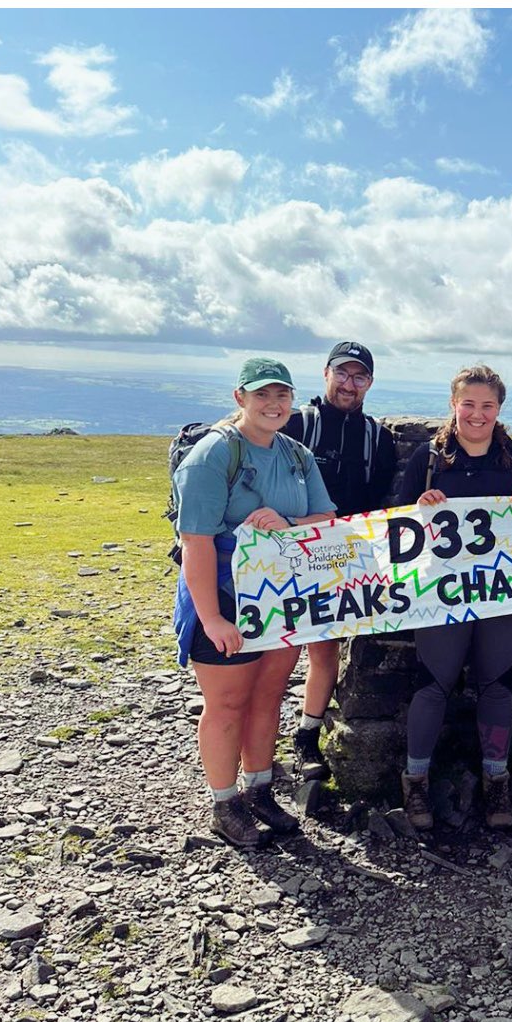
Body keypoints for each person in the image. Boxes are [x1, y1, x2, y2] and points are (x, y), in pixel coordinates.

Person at [172, 358, 336, 847]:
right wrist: (213, 618)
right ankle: (224, 805)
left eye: (282, 394)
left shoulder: (296, 454)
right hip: (224, 595)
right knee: (227, 702)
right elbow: (195, 543)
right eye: (262, 394)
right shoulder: (212, 455)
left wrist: (289, 526)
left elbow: (327, 518)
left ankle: (259, 788)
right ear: (239, 397)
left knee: (267, 696)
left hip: (278, 598)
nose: (274, 403)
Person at [395, 365, 512, 831]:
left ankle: (496, 779)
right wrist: (417, 509)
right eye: (468, 404)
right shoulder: (429, 459)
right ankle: (414, 780)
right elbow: (394, 524)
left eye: (487, 405)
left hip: (503, 594)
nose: (477, 414)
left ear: (499, 409)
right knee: (434, 684)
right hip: (440, 595)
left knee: (496, 684)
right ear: (453, 405)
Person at [281, 342, 396, 780]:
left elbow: (381, 501)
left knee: (324, 651)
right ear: (325, 373)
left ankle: (306, 734)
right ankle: (255, 745)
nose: (349, 384)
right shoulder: (296, 424)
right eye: (342, 374)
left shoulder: (377, 438)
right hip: (288, 555)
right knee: (276, 654)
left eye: (359, 377)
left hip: (344, 558)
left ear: (369, 382)